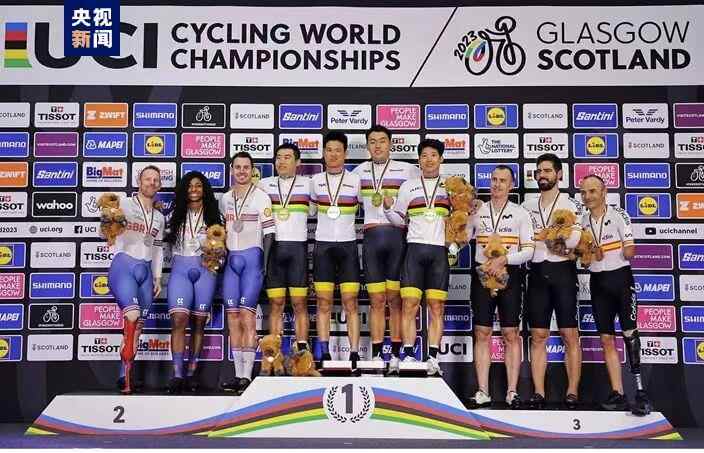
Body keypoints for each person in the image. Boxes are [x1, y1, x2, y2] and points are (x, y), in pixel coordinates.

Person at [579, 174, 651, 416]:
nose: (587, 196)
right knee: (606, 339)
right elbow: (584, 261)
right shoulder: (582, 221)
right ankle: (618, 393)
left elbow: (630, 250)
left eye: (592, 191)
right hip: (598, 283)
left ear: (604, 192)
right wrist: (588, 255)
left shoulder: (619, 214)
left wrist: (617, 248)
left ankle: (640, 392)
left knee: (630, 334)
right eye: (584, 192)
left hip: (621, 280)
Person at [353, 125, 420, 372]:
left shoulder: (409, 170)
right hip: (371, 238)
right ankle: (378, 354)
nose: (378, 145)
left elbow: (427, 193)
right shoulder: (358, 173)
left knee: (396, 300)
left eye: (382, 141)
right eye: (372, 141)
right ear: (367, 146)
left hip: (397, 238)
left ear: (390, 144)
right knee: (376, 300)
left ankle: (399, 355)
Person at [468, 165, 534, 409]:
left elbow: (529, 250)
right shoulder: (478, 210)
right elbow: (463, 239)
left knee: (511, 333)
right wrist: (465, 214)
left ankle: (512, 392)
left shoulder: (520, 213)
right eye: (494, 179)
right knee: (481, 332)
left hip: (510, 275)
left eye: (502, 180)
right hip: (482, 274)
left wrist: (505, 260)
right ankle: (483, 391)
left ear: (511, 185)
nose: (496, 184)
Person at [383, 138, 451, 377]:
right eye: (424, 156)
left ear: (441, 159)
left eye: (433, 155)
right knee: (409, 305)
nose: (429, 160)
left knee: (436, 307)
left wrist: (455, 244)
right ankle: (409, 354)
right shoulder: (408, 187)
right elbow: (399, 220)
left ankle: (433, 358)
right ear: (419, 160)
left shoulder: (452, 186)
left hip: (439, 252)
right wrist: (388, 209)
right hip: (413, 250)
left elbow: (461, 220)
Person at [521, 154, 583, 409]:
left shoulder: (571, 204)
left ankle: (572, 392)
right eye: (539, 171)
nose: (542, 175)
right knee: (538, 335)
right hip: (536, 272)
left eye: (547, 170)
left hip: (563, 274)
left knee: (569, 334)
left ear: (559, 174)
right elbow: (521, 240)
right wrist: (554, 237)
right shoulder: (526, 206)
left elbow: (574, 241)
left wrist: (546, 237)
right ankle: (538, 392)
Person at [220, 152, 275, 394]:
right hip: (231, 262)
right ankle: (238, 375)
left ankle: (247, 375)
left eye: (246, 167)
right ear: (232, 170)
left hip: (252, 259)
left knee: (247, 316)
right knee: (233, 317)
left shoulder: (261, 196)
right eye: (238, 167)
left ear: (252, 171)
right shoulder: (225, 199)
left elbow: (269, 233)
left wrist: (265, 264)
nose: (242, 171)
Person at [107, 165, 165, 394]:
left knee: (138, 326)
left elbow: (158, 249)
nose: (152, 183)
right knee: (131, 315)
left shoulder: (159, 217)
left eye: (156, 180)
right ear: (139, 182)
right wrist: (108, 222)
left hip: (146, 272)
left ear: (159, 185)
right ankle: (126, 376)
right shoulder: (123, 204)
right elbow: (104, 231)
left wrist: (158, 278)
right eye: (147, 179)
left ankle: (125, 375)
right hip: (124, 266)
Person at [164, 171, 223, 394]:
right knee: (179, 319)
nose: (194, 190)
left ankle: (192, 372)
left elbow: (223, 247)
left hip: (206, 271)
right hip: (180, 269)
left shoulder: (215, 215)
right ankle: (177, 374)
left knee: (199, 323)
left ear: (204, 189)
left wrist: (218, 254)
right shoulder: (174, 214)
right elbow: (157, 237)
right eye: (189, 186)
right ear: (183, 190)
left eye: (198, 186)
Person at [311, 131, 362, 364]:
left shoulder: (356, 180)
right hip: (323, 247)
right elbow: (311, 210)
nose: (333, 155)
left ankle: (354, 353)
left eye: (338, 151)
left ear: (345, 154)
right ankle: (324, 353)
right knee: (323, 302)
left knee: (351, 303)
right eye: (329, 150)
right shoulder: (315, 181)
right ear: (323, 153)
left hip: (348, 246)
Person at [260, 143, 312, 351]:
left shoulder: (309, 184)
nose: (281, 161)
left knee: (300, 303)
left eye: (287, 157)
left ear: (298, 162)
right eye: (278, 157)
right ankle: (274, 354)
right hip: (273, 249)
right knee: (276, 304)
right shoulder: (263, 185)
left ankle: (302, 351)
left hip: (298, 249)